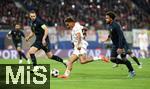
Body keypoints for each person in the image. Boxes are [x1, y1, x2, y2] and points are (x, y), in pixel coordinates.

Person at [103, 11, 135, 78]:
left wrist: (120, 47)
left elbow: (121, 36)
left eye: (107, 18)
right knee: (112, 59)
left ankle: (132, 71)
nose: (105, 19)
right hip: (115, 45)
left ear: (111, 19)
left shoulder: (116, 25)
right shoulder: (109, 25)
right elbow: (111, 33)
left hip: (122, 44)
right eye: (105, 18)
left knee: (124, 59)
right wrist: (108, 37)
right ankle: (128, 64)